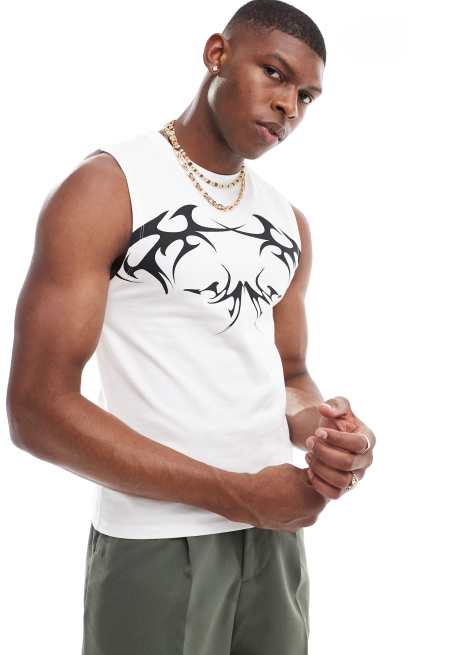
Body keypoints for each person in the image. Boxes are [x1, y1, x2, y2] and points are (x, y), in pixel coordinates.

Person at [6, 1, 376, 652]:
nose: (288, 105)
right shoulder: (107, 187)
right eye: (274, 73)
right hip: (156, 542)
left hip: (274, 536)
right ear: (216, 54)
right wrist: (236, 494)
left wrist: (323, 433)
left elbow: (289, 376)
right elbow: (36, 410)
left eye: (306, 96)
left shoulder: (287, 221)